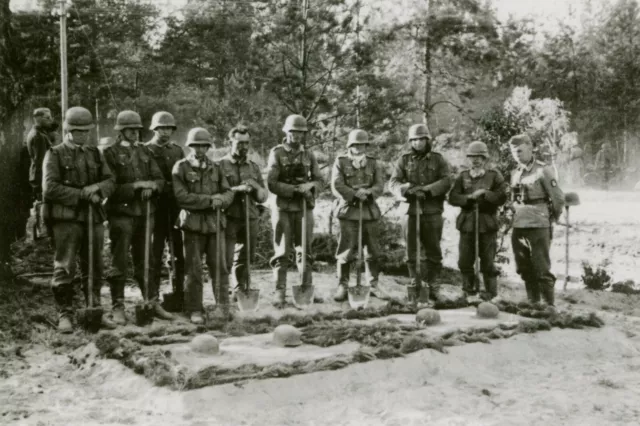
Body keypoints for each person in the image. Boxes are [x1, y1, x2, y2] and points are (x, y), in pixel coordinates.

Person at [42, 106, 116, 332]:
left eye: (86, 131)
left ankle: (93, 308)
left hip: (93, 218)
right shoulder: (54, 153)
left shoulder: (95, 153)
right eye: (77, 131)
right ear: (68, 131)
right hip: (67, 219)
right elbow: (50, 188)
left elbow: (111, 180)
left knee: (94, 265)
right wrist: (82, 194)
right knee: (65, 266)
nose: (82, 135)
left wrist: (97, 188)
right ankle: (65, 313)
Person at [103, 110, 168, 325]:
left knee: (145, 260)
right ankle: (118, 305)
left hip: (145, 214)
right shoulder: (109, 154)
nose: (134, 133)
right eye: (130, 130)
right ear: (120, 131)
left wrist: (152, 187)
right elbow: (110, 186)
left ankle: (150, 301)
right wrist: (136, 186)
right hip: (121, 214)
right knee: (119, 261)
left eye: (137, 130)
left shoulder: (144, 151)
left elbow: (159, 179)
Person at [172, 128, 234, 324]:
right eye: (196, 145)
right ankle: (194, 309)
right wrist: (210, 200)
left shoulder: (216, 167)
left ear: (208, 147)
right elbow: (181, 197)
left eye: (204, 145)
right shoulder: (181, 167)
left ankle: (222, 307)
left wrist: (221, 200)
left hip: (215, 224)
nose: (200, 149)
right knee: (194, 269)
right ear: (190, 146)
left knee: (220, 267)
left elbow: (228, 192)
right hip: (192, 224)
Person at [389, 124, 453, 304]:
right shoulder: (403, 160)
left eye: (422, 139)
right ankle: (415, 283)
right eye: (415, 140)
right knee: (411, 251)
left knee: (433, 250)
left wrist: (427, 190)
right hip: (410, 210)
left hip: (432, 210)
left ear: (428, 140)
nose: (418, 143)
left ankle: (433, 286)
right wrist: (406, 189)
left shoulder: (438, 160)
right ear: (410, 142)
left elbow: (447, 180)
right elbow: (393, 182)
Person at [266, 114, 324, 308]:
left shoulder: (309, 155)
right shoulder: (277, 153)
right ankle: (279, 290)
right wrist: (294, 190)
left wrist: (310, 187)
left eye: (300, 132)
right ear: (286, 132)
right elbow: (272, 183)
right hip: (283, 206)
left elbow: (319, 180)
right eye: (293, 132)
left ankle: (306, 287)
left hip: (304, 207)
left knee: (305, 249)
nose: (296, 136)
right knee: (282, 250)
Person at [330, 129, 387, 302]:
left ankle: (373, 284)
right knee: (346, 250)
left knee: (373, 250)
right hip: (349, 211)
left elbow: (379, 185)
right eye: (355, 144)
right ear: (350, 145)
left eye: (362, 144)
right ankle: (343, 284)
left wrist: (368, 192)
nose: (358, 148)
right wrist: (355, 194)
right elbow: (336, 185)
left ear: (366, 146)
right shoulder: (341, 162)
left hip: (369, 211)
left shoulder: (373, 163)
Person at [508, 134, 565, 307]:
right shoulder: (515, 173)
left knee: (541, 267)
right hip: (519, 225)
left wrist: (553, 218)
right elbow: (514, 199)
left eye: (520, 150)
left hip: (539, 224)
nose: (517, 154)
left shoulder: (543, 170)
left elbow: (558, 198)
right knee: (523, 267)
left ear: (530, 148)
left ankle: (548, 306)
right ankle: (533, 302)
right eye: (514, 151)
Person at [448, 141, 507, 300]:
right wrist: (469, 198)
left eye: (479, 157)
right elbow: (452, 198)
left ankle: (490, 294)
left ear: (485, 158)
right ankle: (469, 292)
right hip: (467, 223)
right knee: (464, 261)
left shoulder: (494, 175)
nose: (476, 160)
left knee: (488, 261)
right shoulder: (463, 176)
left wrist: (485, 193)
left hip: (487, 224)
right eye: (472, 157)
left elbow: (502, 197)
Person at [219, 125, 268, 300]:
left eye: (246, 143)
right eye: (239, 143)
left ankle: (241, 289)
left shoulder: (253, 167)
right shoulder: (220, 165)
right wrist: (236, 189)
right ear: (229, 142)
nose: (244, 147)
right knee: (226, 257)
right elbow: (215, 192)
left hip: (250, 216)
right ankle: (223, 293)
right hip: (228, 217)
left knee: (246, 257)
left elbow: (263, 197)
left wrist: (254, 186)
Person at [144, 111, 186, 312]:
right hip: (155, 208)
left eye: (169, 128)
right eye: (162, 128)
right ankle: (152, 296)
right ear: (155, 129)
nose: (166, 132)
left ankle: (177, 293)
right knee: (154, 253)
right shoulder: (146, 150)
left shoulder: (177, 151)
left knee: (178, 253)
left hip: (175, 208)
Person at [27, 107, 56, 202]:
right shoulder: (38, 136)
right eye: (47, 118)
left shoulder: (40, 134)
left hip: (39, 178)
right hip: (41, 179)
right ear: (38, 119)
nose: (51, 120)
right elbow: (41, 162)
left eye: (51, 117)